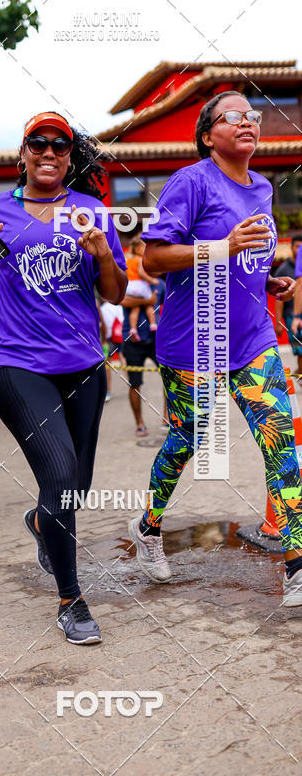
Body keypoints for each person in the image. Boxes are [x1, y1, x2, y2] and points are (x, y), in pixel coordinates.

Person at [0, 111, 127, 644]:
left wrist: (102, 254)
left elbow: (117, 293)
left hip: (84, 366)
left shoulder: (91, 212)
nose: (49, 152)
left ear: (70, 157)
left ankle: (39, 522)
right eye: (39, 143)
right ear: (23, 155)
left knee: (76, 486)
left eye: (60, 145)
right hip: (17, 364)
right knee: (58, 469)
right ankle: (72, 601)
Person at [131, 90, 302, 606]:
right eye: (235, 117)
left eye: (253, 116)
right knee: (189, 440)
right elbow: (153, 260)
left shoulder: (264, 189)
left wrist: (267, 279)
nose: (249, 122)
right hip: (193, 345)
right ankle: (148, 527)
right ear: (209, 134)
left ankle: (297, 564)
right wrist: (223, 248)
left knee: (281, 444)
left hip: (253, 342)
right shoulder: (190, 182)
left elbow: (246, 255)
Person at [121, 278, 167, 436]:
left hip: (157, 338)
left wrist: (138, 301)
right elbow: (122, 300)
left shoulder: (160, 284)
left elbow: (167, 305)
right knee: (134, 383)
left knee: (169, 379)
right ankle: (139, 423)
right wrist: (149, 299)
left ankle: (167, 419)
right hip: (132, 339)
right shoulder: (128, 281)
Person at [275, 234, 302, 380]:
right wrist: (279, 323)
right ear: (291, 247)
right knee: (300, 350)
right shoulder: (283, 270)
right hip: (292, 315)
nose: (300, 249)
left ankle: (299, 372)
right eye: (297, 246)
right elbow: (279, 299)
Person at [124, 237, 159, 341]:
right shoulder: (140, 259)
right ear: (139, 248)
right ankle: (153, 324)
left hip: (130, 286)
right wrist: (152, 280)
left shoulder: (129, 260)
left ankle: (133, 329)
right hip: (140, 285)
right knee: (149, 305)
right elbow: (141, 273)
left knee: (135, 308)